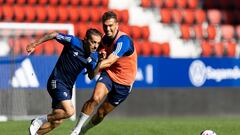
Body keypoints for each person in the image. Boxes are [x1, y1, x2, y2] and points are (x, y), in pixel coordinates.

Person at [71, 11, 138, 135]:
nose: (108, 29)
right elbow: (97, 53)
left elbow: (110, 61)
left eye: (111, 25)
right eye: (105, 26)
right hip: (109, 74)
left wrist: (92, 67)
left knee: (101, 113)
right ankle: (76, 130)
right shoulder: (104, 39)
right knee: (95, 98)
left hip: (124, 83)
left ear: (117, 25)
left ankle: (84, 130)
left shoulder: (123, 41)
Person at [27, 28, 102, 135]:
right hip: (57, 81)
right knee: (70, 111)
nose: (95, 46)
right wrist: (35, 44)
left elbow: (91, 76)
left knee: (57, 121)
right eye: (93, 42)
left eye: (98, 43)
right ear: (86, 40)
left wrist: (99, 62)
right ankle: (39, 120)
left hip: (67, 87)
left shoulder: (92, 57)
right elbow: (54, 34)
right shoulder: (73, 42)